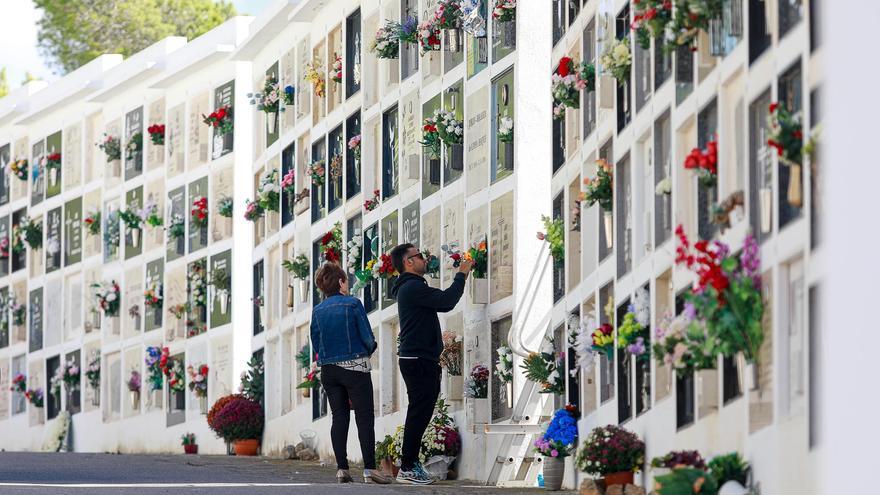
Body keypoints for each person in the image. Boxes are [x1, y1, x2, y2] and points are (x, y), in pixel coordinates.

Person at [389, 243, 473, 484]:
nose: (425, 259)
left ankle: (410, 465)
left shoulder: (411, 287)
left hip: (419, 358)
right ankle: (407, 467)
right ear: (409, 262)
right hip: (418, 360)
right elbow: (447, 301)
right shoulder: (412, 287)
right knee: (419, 413)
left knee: (421, 412)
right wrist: (462, 273)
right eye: (419, 256)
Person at [310, 262, 392, 484]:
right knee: (364, 417)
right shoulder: (353, 304)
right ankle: (369, 470)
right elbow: (367, 337)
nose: (347, 283)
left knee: (339, 417)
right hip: (355, 368)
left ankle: (342, 469)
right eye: (346, 279)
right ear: (340, 282)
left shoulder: (317, 311)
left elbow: (316, 344)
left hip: (329, 371)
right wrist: (368, 350)